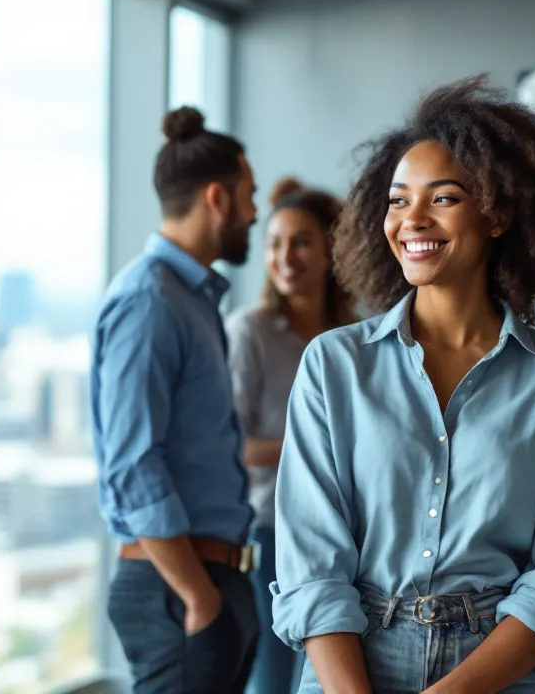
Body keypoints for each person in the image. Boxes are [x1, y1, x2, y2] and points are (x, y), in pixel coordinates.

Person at [271, 76, 535, 694]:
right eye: (397, 200)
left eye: (444, 198)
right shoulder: (334, 364)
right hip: (348, 664)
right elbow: (312, 564)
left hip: (496, 669)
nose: (412, 219)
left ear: (497, 214)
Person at [91, 106, 261, 693]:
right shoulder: (151, 301)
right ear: (217, 198)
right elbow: (132, 463)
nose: (254, 212)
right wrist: (198, 596)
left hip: (211, 579)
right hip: (179, 588)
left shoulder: (192, 300)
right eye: (248, 197)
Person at [226, 178, 358, 694]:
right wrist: (319, 448)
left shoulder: (356, 338)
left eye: (301, 242)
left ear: (330, 251)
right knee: (276, 680)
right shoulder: (250, 332)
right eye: (275, 243)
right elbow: (234, 446)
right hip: (271, 531)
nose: (286, 257)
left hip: (349, 531)